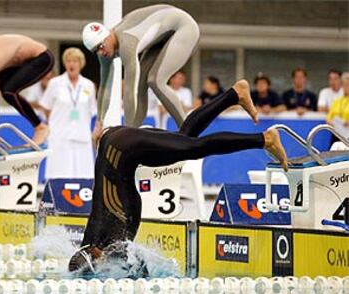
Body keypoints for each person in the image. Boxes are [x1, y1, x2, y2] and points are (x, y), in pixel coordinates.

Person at [68, 80, 287, 272]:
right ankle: (234, 94)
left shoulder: (109, 239)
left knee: (194, 147)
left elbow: (134, 257)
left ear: (95, 256)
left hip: (122, 149)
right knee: (184, 138)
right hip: (114, 142)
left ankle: (265, 139)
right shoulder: (91, 240)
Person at [81, 4, 200, 127]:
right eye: (96, 51)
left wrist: (126, 132)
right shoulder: (104, 52)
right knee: (141, 84)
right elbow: (105, 88)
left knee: (155, 81)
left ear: (109, 35)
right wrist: (99, 123)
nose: (101, 52)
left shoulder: (126, 43)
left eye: (101, 46)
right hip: (164, 34)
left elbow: (129, 92)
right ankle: (135, 132)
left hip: (185, 27)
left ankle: (188, 130)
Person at [40, 48, 101, 179]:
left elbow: (92, 110)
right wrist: (55, 123)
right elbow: (46, 107)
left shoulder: (88, 85)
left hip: (81, 134)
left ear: (81, 64)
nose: (71, 64)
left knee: (83, 174)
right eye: (68, 61)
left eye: (75, 61)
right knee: (59, 173)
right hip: (60, 135)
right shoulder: (55, 83)